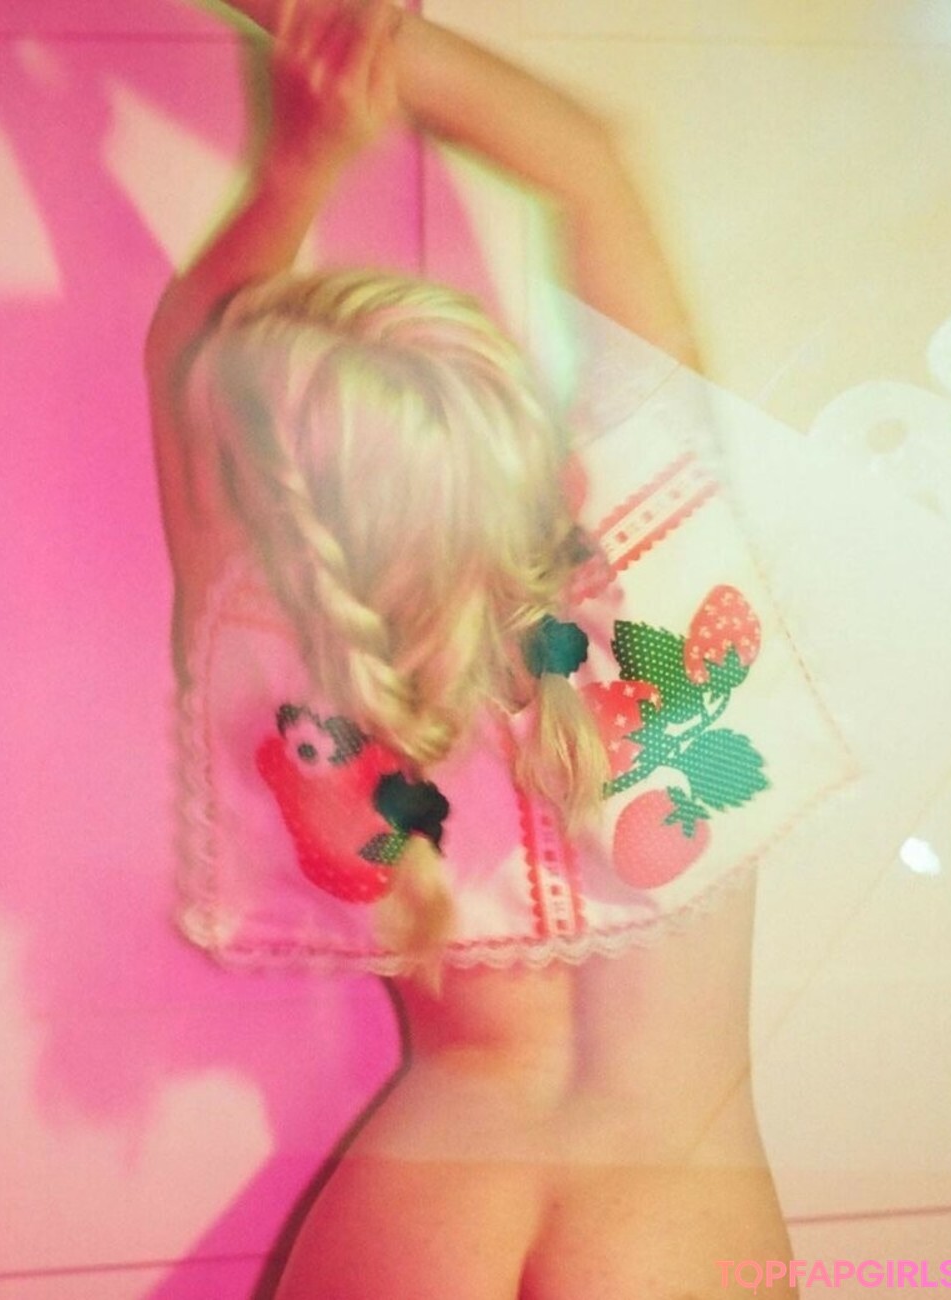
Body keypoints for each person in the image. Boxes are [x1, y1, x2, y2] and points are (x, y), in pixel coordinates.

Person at [145, 1, 800, 1295]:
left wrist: (297, 166)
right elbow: (587, 164)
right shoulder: (665, 542)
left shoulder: (299, 647)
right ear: (508, 417)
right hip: (677, 1221)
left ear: (296, 503)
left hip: (415, 1215)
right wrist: (347, 34)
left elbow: (191, 352)